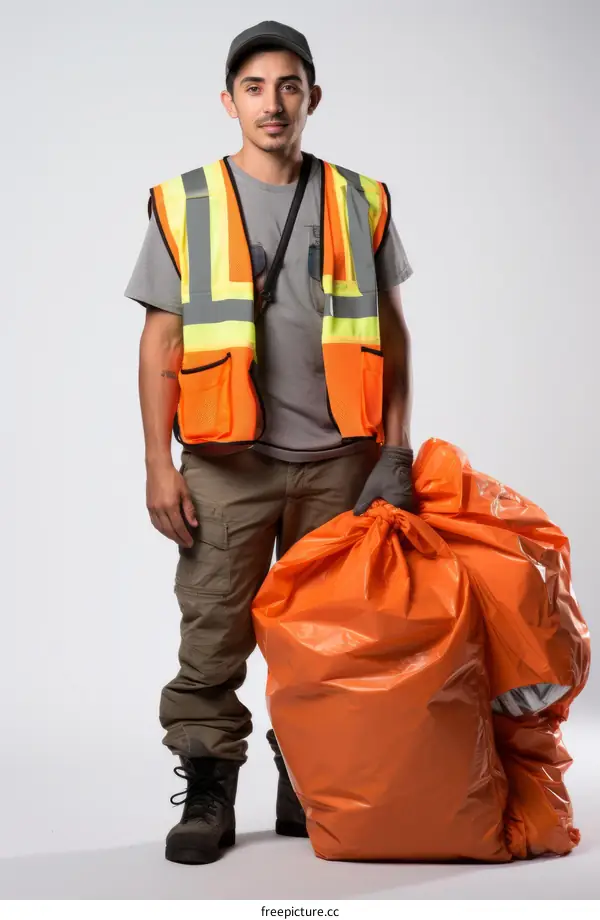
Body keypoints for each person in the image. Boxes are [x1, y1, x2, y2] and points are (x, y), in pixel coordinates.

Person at [124, 20, 415, 866]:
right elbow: (159, 342)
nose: (273, 102)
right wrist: (154, 463)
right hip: (225, 466)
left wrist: (394, 451)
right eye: (254, 88)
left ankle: (308, 783)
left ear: (313, 97)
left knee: (327, 638)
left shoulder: (361, 198)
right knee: (213, 632)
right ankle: (210, 789)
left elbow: (392, 332)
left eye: (289, 85)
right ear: (229, 102)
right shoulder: (186, 202)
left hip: (339, 462)